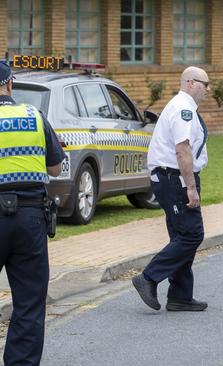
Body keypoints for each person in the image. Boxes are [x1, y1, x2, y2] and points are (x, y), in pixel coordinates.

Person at [0, 62, 65, 365]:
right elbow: (54, 167)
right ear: (10, 84)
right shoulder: (34, 117)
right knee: (28, 303)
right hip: (29, 219)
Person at [132, 66, 210, 312]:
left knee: (181, 235)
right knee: (191, 235)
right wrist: (190, 187)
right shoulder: (183, 108)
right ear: (189, 83)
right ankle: (149, 277)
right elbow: (182, 148)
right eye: (204, 84)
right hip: (174, 178)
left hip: (171, 177)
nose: (208, 89)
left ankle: (180, 295)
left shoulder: (183, 106)